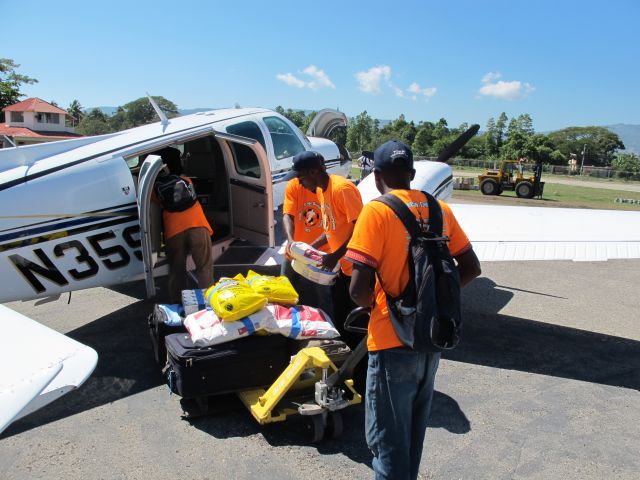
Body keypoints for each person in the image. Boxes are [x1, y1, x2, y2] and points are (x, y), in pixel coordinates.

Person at [345, 140, 481, 480]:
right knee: (411, 441)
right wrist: (429, 303)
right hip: (430, 339)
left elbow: (358, 290)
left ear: (376, 176)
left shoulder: (376, 211)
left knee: (387, 444)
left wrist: (387, 304)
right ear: (413, 174)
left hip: (391, 344)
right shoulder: (440, 211)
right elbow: (471, 266)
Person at [283, 150, 363, 341]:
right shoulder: (321, 190)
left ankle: (360, 367)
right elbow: (330, 228)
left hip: (355, 268)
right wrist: (309, 248)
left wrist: (334, 255)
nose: (299, 182)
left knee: (357, 322)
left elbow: (360, 229)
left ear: (313, 172)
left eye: (301, 177)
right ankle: (343, 354)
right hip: (341, 267)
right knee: (340, 315)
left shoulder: (342, 189)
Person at [154, 147, 214, 303]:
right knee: (204, 267)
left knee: (177, 270)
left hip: (174, 230)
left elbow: (157, 203)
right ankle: (208, 303)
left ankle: (179, 304)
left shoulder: (156, 186)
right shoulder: (187, 180)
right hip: (198, 226)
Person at [281, 176, 333, 315]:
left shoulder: (332, 190)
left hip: (321, 256)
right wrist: (291, 242)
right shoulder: (294, 185)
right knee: (283, 293)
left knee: (324, 299)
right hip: (294, 252)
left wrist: (309, 250)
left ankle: (330, 332)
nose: (300, 181)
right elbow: (287, 215)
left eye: (303, 176)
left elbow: (333, 228)